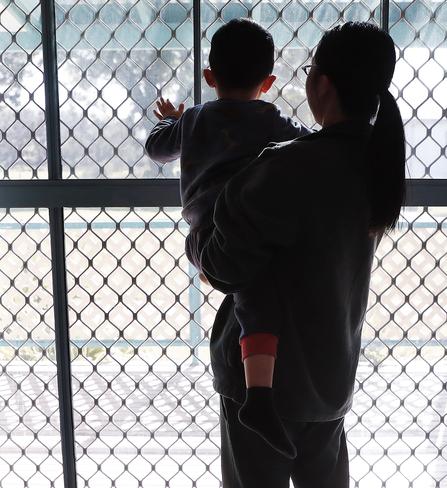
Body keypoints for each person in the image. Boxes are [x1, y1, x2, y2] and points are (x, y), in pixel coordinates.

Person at [188, 21, 406, 487]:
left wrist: (197, 240)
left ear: (321, 82)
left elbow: (223, 266)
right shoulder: (377, 163)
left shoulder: (283, 166)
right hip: (328, 374)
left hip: (260, 384)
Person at [144, 18, 310, 459]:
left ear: (209, 77)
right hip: (248, 235)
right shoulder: (270, 119)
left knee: (253, 290)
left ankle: (257, 397)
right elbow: (309, 146)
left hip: (204, 240)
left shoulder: (196, 119)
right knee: (262, 289)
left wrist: (172, 123)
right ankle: (259, 396)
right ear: (269, 82)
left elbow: (157, 149)